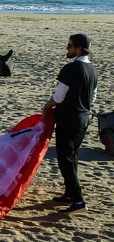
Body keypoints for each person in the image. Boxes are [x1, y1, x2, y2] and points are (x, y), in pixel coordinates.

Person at [42, 34, 97, 214]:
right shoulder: (92, 70)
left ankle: (79, 200)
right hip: (84, 118)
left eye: (70, 46)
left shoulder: (71, 68)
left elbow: (59, 96)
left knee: (65, 159)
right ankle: (69, 193)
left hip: (69, 119)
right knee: (72, 157)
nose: (67, 48)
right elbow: (93, 97)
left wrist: (46, 107)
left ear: (79, 48)